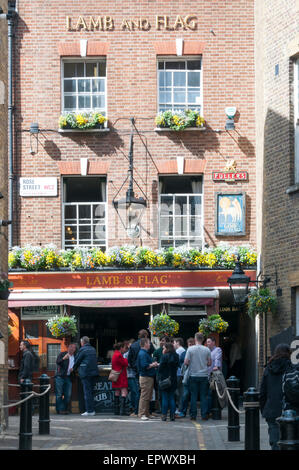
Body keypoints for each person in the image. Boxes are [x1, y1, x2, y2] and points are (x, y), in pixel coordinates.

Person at [259, 344, 292, 450]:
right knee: (290, 441)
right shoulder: (291, 367)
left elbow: (262, 392)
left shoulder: (268, 369)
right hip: (288, 409)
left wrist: (263, 408)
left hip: (271, 408)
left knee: (274, 441)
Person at [184, 332, 212, 421]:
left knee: (193, 396)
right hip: (204, 375)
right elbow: (209, 363)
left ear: (195, 339)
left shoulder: (190, 349)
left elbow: (186, 362)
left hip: (193, 375)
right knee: (203, 396)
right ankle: (204, 415)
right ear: (203, 339)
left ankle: (193, 415)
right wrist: (203, 363)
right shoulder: (207, 349)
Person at [72, 336, 99, 416]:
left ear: (82, 342)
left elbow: (77, 361)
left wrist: (73, 368)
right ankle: (92, 409)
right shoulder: (93, 349)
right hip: (93, 373)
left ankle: (89, 411)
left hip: (86, 373)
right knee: (91, 392)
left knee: (87, 392)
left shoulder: (82, 349)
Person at [136, 337, 159, 421]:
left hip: (148, 377)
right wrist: (154, 364)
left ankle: (146, 413)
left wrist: (153, 364)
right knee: (145, 396)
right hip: (146, 377)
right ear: (145, 344)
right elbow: (144, 366)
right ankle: (142, 414)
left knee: (148, 396)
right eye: (149, 343)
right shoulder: (143, 354)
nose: (150, 344)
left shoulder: (144, 353)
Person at [157, 342, 179, 421]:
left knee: (165, 397)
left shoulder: (164, 357)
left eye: (164, 348)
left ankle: (164, 415)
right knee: (172, 397)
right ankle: (172, 415)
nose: (163, 349)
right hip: (173, 379)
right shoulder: (176, 356)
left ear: (167, 349)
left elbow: (160, 369)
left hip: (164, 379)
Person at [55, 343, 77, 414]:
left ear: (75, 349)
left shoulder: (75, 357)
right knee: (59, 394)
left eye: (73, 348)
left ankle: (63, 409)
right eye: (70, 347)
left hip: (68, 377)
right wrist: (64, 358)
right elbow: (57, 362)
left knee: (68, 395)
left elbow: (77, 366)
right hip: (60, 377)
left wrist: (73, 369)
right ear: (68, 348)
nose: (71, 349)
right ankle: (60, 410)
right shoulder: (62, 354)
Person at [206, 336, 223, 416]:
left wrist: (216, 366)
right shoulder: (206, 351)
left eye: (209, 342)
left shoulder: (217, 350)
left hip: (214, 375)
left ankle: (214, 411)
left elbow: (217, 359)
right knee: (208, 394)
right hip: (207, 375)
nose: (207, 343)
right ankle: (209, 411)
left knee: (214, 393)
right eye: (207, 342)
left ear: (213, 342)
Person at [111, 341, 129, 416]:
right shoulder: (119, 355)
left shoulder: (114, 354)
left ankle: (116, 411)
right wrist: (125, 359)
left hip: (116, 375)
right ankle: (122, 411)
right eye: (124, 348)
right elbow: (125, 363)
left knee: (117, 392)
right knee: (124, 392)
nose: (125, 350)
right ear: (121, 348)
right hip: (121, 375)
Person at [179, 337, 195, 417]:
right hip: (186, 377)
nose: (191, 345)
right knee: (185, 395)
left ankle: (192, 412)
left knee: (193, 395)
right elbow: (181, 363)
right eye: (190, 344)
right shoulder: (184, 353)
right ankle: (183, 411)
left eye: (192, 344)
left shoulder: (196, 352)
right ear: (187, 344)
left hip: (194, 376)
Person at [124, 338, 139, 417]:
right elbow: (126, 364)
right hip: (131, 375)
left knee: (134, 392)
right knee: (135, 392)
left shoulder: (127, 353)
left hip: (130, 375)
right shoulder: (127, 354)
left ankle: (132, 407)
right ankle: (133, 407)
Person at [173, 338, 185, 415]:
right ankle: (180, 409)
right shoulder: (183, 350)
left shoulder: (178, 351)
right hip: (181, 374)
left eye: (174, 343)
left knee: (176, 391)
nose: (173, 344)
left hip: (178, 374)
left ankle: (178, 408)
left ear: (178, 342)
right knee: (181, 392)